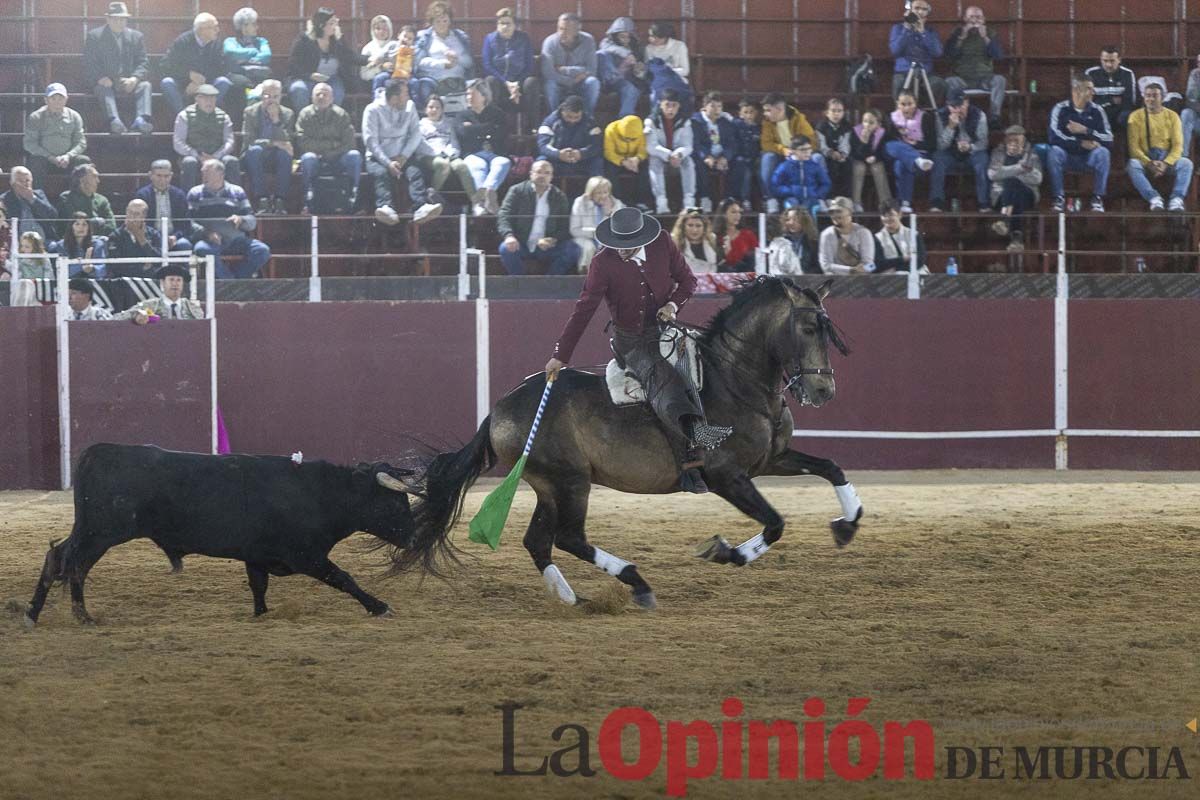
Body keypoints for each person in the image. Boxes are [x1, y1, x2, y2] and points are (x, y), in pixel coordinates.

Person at [544, 206, 728, 494]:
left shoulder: (662, 243)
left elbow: (688, 281)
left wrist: (672, 305)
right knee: (663, 377)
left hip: (669, 330)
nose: (621, 252)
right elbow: (584, 310)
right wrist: (560, 354)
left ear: (643, 240)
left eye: (628, 247)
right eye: (617, 246)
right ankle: (691, 455)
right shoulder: (602, 262)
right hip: (632, 341)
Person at [362, 79, 443, 226]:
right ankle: (386, 208)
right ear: (394, 98)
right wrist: (388, 163)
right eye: (405, 94)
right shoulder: (372, 110)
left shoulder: (410, 106)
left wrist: (404, 156)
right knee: (381, 174)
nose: (409, 97)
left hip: (403, 155)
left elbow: (416, 134)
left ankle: (421, 207)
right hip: (379, 157)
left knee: (415, 172)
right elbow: (371, 142)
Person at [187, 159, 271, 279]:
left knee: (262, 250)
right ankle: (229, 282)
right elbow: (189, 221)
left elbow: (252, 220)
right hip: (209, 240)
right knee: (201, 249)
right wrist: (206, 233)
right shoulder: (195, 193)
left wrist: (241, 219)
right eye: (202, 172)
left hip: (235, 240)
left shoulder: (237, 191)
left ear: (221, 174)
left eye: (207, 172)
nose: (203, 175)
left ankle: (233, 280)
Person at [496, 159, 579, 275]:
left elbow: (564, 226)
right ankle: (520, 282)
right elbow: (504, 215)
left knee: (573, 249)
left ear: (551, 176)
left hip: (545, 246)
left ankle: (549, 282)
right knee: (505, 249)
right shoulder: (517, 191)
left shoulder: (559, 196)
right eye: (539, 172)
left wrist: (552, 239)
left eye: (547, 173)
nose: (542, 176)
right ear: (531, 174)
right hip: (521, 243)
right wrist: (509, 236)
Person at [84, 2, 152, 135]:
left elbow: (143, 62)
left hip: (128, 81)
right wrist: (100, 78)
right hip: (107, 82)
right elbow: (89, 62)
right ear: (108, 19)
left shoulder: (136, 36)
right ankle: (114, 121)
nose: (120, 22)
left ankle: (141, 120)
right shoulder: (95, 36)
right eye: (116, 19)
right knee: (102, 89)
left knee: (145, 86)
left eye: (123, 19)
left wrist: (135, 78)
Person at [1046, 78, 1112, 213]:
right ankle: (1058, 197)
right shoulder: (1060, 109)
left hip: (1089, 157)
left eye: (1092, 88)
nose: (1093, 92)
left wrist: (1085, 130)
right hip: (1067, 156)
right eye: (1088, 88)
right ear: (1075, 91)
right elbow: (1054, 137)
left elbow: (1109, 139)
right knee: (1054, 151)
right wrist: (1080, 143)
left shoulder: (1098, 110)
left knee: (1103, 153)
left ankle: (1097, 198)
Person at [295, 82, 362, 213]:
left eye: (325, 94)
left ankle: (354, 193)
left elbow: (349, 143)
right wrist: (332, 145)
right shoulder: (305, 114)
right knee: (307, 158)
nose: (321, 97)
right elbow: (303, 142)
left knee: (354, 156)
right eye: (317, 94)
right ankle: (308, 196)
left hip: (337, 159)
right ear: (312, 98)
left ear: (332, 98)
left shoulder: (341, 114)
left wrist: (329, 152)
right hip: (316, 159)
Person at [1127, 81, 1193, 211]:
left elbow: (1178, 146)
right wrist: (1149, 162)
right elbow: (1133, 148)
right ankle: (1154, 198)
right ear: (1144, 97)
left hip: (1166, 156)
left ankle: (1177, 199)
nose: (1150, 99)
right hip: (1146, 158)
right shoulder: (1135, 116)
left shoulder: (1172, 116)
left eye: (1154, 96)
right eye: (1148, 96)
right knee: (1132, 164)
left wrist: (1166, 163)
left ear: (1162, 98)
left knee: (1186, 163)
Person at [286, 7, 361, 111]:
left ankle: (330, 121)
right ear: (321, 25)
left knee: (336, 92)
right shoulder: (304, 40)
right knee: (299, 90)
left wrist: (370, 60)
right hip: (306, 78)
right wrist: (310, 75)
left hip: (332, 79)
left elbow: (350, 57)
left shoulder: (337, 40)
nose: (335, 27)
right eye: (331, 23)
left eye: (336, 23)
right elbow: (293, 65)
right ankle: (304, 120)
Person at [929, 87, 990, 212]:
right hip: (950, 153)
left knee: (982, 161)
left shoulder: (979, 115)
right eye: (953, 106)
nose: (957, 110)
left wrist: (970, 147)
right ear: (948, 105)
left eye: (960, 105)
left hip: (972, 152)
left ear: (967, 102)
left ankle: (984, 203)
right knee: (937, 159)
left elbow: (983, 142)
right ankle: (937, 202)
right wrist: (951, 127)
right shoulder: (940, 115)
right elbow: (941, 145)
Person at [944, 6, 1006, 124]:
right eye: (971, 17)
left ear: (983, 20)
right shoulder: (957, 32)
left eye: (978, 17)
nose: (974, 20)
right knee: (950, 81)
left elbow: (998, 55)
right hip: (963, 78)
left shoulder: (990, 32)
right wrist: (962, 38)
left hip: (984, 78)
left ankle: (994, 116)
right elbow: (949, 55)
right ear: (965, 19)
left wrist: (985, 38)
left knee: (1000, 80)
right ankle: (957, 115)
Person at [241, 79, 295, 214]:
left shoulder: (288, 114)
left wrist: (276, 120)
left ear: (281, 97)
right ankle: (262, 199)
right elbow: (250, 141)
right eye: (267, 96)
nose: (271, 100)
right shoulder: (250, 112)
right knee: (255, 150)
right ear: (261, 96)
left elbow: (288, 142)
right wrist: (273, 143)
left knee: (285, 153)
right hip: (254, 156)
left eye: (275, 96)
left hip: (276, 157)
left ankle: (280, 200)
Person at [160, 13, 231, 115]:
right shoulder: (182, 41)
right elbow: (166, 65)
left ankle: (204, 116)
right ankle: (184, 118)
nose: (217, 30)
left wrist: (201, 83)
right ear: (201, 30)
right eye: (214, 27)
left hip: (208, 84)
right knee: (167, 83)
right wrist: (189, 75)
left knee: (224, 82)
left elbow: (221, 68)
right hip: (184, 85)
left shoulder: (216, 44)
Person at [173, 83, 240, 191]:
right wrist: (196, 155)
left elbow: (229, 141)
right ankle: (187, 201)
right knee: (189, 163)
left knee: (231, 161)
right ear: (197, 99)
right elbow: (178, 142)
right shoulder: (184, 115)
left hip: (217, 156)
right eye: (205, 98)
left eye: (212, 98)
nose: (209, 101)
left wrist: (216, 156)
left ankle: (236, 197)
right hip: (194, 155)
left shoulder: (223, 116)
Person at [459, 79, 511, 216]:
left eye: (473, 94)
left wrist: (473, 129)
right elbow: (463, 132)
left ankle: (485, 195)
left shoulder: (497, 113)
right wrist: (488, 128)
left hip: (495, 152)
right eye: (467, 94)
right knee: (477, 166)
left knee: (503, 162)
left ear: (483, 96)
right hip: (473, 153)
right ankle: (483, 201)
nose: (469, 98)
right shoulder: (462, 115)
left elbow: (501, 133)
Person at [23, 84, 90, 189]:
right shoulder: (36, 117)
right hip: (45, 159)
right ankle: (37, 198)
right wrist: (50, 157)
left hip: (68, 160)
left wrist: (68, 156)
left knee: (83, 161)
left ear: (66, 99)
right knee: (35, 161)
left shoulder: (75, 116)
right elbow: (29, 143)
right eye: (53, 98)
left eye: (61, 98)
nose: (57, 102)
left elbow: (81, 142)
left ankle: (76, 198)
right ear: (46, 100)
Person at [759, 93, 817, 214]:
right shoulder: (767, 122)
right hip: (780, 155)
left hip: (799, 153)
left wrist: (797, 152)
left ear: (780, 109)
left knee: (818, 158)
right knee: (767, 157)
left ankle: (815, 198)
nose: (765, 113)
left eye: (768, 110)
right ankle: (771, 199)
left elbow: (811, 140)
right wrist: (783, 150)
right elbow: (766, 144)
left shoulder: (798, 119)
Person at [410, 2, 475, 109]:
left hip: (458, 80)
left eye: (445, 20)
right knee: (424, 85)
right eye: (438, 21)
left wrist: (456, 58)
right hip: (434, 80)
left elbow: (469, 63)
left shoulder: (460, 36)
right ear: (432, 22)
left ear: (450, 21)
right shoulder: (424, 37)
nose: (442, 24)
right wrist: (442, 64)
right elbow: (419, 62)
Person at [987, 125, 1041, 251]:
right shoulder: (998, 153)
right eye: (1011, 140)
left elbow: (1038, 178)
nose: (1014, 143)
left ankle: (1005, 220)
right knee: (1014, 192)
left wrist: (1009, 173)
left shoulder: (1032, 155)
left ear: (1023, 141)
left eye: (1017, 140)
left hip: (1028, 194)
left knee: (1013, 182)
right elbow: (992, 174)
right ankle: (1016, 239)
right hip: (1001, 194)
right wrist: (1020, 168)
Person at [481, 8, 541, 119]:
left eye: (508, 23)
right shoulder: (489, 39)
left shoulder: (524, 38)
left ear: (515, 25)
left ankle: (534, 127)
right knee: (490, 81)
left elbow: (529, 65)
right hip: (499, 83)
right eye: (501, 23)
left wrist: (516, 84)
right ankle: (492, 123)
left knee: (532, 82)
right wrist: (506, 83)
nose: (504, 27)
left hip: (519, 83)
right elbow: (487, 65)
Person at [884, 90, 936, 213]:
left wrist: (916, 144)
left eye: (910, 104)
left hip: (919, 152)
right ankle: (916, 160)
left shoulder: (925, 117)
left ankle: (904, 202)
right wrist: (899, 134)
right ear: (897, 104)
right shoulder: (890, 117)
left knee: (902, 164)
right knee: (891, 145)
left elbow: (932, 144)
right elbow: (886, 140)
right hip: (896, 151)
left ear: (915, 104)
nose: (906, 108)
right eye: (903, 104)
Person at [645, 89, 695, 214]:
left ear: (679, 106)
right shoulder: (651, 121)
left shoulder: (685, 121)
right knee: (654, 161)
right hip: (661, 156)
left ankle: (689, 202)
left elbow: (688, 145)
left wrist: (679, 154)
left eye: (674, 106)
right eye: (667, 105)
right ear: (660, 104)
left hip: (677, 158)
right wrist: (669, 155)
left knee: (688, 161)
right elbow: (651, 147)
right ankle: (661, 202)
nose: (671, 109)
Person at [541, 13, 600, 116]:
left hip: (580, 83)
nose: (562, 33)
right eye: (560, 28)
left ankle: (587, 119)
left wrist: (564, 70)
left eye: (567, 30)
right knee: (550, 85)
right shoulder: (549, 42)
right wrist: (571, 80)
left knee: (593, 82)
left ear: (577, 29)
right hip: (559, 83)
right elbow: (548, 72)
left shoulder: (588, 40)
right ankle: (555, 119)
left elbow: (592, 69)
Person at [889, 0, 945, 103]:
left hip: (926, 73)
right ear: (910, 10)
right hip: (904, 72)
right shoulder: (898, 28)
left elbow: (937, 53)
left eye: (924, 9)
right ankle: (902, 115)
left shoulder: (931, 31)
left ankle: (928, 115)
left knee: (938, 84)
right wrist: (906, 29)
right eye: (917, 8)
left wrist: (923, 32)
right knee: (898, 83)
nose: (920, 12)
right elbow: (895, 51)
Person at [691, 91, 738, 213]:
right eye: (712, 106)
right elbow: (696, 144)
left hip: (721, 155)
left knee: (739, 163)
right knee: (697, 165)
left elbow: (731, 144)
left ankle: (729, 200)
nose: (716, 110)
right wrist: (706, 157)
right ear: (705, 106)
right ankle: (704, 197)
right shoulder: (696, 121)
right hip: (705, 156)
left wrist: (725, 157)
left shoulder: (725, 122)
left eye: (719, 106)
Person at [419, 95, 476, 196]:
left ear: (442, 110)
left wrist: (450, 153)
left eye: (437, 107)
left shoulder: (449, 123)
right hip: (429, 156)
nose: (434, 110)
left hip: (449, 154)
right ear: (425, 109)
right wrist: (439, 153)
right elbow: (421, 145)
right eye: (431, 107)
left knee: (462, 166)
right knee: (443, 165)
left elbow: (453, 141)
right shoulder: (420, 125)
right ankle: (431, 195)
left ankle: (476, 202)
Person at [537, 94, 603, 178]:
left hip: (581, 160)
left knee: (597, 161)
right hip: (556, 160)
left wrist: (581, 153)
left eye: (576, 117)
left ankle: (598, 189)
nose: (572, 120)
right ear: (562, 111)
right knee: (540, 162)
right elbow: (542, 146)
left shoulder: (590, 122)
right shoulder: (549, 121)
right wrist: (558, 154)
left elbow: (596, 145)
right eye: (569, 116)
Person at [115, 263, 204, 322]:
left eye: (179, 280)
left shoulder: (192, 308)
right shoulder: (149, 305)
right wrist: (135, 316)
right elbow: (117, 318)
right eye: (171, 280)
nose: (175, 284)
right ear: (162, 283)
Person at [135, 160, 193, 250]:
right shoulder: (142, 195)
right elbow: (140, 223)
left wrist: (175, 237)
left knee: (184, 245)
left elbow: (185, 224)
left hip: (174, 238)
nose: (162, 180)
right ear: (151, 175)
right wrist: (157, 237)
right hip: (151, 237)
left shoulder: (179, 195)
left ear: (171, 176)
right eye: (159, 176)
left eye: (166, 176)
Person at [570, 175, 624, 270]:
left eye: (605, 192)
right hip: (583, 237)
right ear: (590, 193)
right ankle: (586, 274)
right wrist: (595, 233)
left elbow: (620, 231)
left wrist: (609, 213)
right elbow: (574, 230)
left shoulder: (617, 204)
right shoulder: (580, 202)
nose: (603, 196)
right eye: (598, 193)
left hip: (607, 240)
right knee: (589, 248)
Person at [598, 17, 647, 119]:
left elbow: (641, 74)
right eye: (622, 37)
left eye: (628, 37)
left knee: (632, 90)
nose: (626, 40)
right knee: (602, 54)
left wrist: (639, 70)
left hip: (623, 81)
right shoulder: (607, 43)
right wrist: (626, 55)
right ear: (615, 36)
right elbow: (606, 48)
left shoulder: (636, 47)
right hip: (606, 80)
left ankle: (625, 121)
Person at [770, 135, 832, 214]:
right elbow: (776, 185)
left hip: (811, 197)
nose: (807, 152)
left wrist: (817, 194)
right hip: (791, 197)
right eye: (803, 149)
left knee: (810, 208)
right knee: (793, 208)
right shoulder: (785, 166)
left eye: (809, 149)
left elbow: (825, 183)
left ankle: (811, 226)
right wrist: (790, 191)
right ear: (793, 150)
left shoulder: (815, 166)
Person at [224, 8, 273, 105]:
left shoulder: (261, 41)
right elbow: (230, 52)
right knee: (241, 84)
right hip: (239, 75)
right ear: (244, 27)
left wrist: (243, 59)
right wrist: (253, 52)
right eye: (254, 24)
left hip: (260, 75)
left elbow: (266, 55)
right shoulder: (230, 41)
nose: (257, 27)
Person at [1085, 45, 1138, 134]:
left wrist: (1102, 101)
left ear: (1119, 60)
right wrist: (1111, 101)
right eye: (1105, 61)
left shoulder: (1127, 74)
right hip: (1098, 112)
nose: (1108, 65)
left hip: (1119, 114)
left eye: (1112, 61)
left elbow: (1129, 101)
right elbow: (1087, 100)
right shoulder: (1091, 73)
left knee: (1127, 117)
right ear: (1100, 59)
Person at [603, 114, 651, 208]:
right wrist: (622, 161)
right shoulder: (611, 129)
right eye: (625, 138)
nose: (628, 140)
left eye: (632, 139)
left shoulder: (641, 132)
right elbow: (608, 152)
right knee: (609, 170)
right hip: (617, 159)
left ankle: (642, 201)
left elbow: (643, 149)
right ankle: (617, 201)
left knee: (646, 169)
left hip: (634, 160)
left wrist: (637, 159)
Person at [850, 108, 893, 212]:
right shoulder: (856, 131)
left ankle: (885, 202)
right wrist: (864, 141)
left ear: (878, 124)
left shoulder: (883, 134)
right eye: (864, 121)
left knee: (878, 168)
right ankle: (856, 202)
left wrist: (875, 157)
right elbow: (855, 153)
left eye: (871, 122)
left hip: (875, 160)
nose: (867, 125)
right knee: (859, 168)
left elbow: (883, 151)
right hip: (859, 159)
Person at [106, 198, 165, 274]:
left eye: (136, 214)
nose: (132, 217)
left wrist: (142, 240)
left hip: (150, 280)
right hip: (123, 280)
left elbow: (159, 261)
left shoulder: (154, 234)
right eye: (130, 212)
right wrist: (141, 268)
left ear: (144, 216)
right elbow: (114, 265)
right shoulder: (115, 236)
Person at [56, 163, 116, 237]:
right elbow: (71, 225)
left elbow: (111, 226)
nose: (98, 181)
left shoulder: (102, 200)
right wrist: (97, 224)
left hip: (98, 240)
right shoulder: (66, 198)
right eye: (94, 177)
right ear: (82, 180)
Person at [818, 196, 875, 274]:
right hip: (835, 280)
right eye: (832, 212)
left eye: (839, 211)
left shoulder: (863, 233)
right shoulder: (826, 235)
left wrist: (863, 269)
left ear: (850, 212)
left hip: (860, 279)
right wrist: (850, 270)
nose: (834, 215)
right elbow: (826, 265)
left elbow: (871, 265)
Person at [1, 166, 59, 239]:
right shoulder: (4, 199)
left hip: (44, 241)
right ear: (12, 183)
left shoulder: (39, 194)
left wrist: (32, 199)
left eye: (27, 180)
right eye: (20, 181)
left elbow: (53, 216)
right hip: (19, 244)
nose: (25, 184)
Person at [874, 199, 928, 271]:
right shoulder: (877, 238)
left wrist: (897, 268)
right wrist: (903, 259)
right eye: (884, 215)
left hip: (916, 273)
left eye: (891, 215)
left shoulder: (913, 234)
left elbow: (920, 260)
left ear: (900, 214)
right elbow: (879, 264)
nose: (887, 218)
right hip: (890, 277)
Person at [765, 206, 820, 275]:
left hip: (806, 281)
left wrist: (804, 275)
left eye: (795, 219)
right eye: (788, 219)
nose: (791, 223)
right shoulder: (779, 241)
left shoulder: (813, 242)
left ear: (804, 221)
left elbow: (817, 267)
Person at [815, 98, 853, 198]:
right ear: (827, 113)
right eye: (833, 111)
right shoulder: (821, 127)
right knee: (831, 167)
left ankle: (846, 197)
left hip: (841, 155)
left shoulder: (847, 126)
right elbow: (821, 144)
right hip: (826, 155)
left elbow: (846, 142)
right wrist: (831, 153)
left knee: (848, 165)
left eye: (839, 111)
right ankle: (830, 197)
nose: (836, 114)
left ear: (843, 113)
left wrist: (842, 154)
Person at [50, 212, 108, 277]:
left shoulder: (97, 244)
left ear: (89, 227)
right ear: (71, 227)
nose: (81, 227)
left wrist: (92, 269)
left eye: (84, 224)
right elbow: (61, 271)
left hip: (93, 283)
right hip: (70, 283)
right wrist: (79, 264)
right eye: (77, 224)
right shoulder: (61, 245)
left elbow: (103, 269)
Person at [6, 231, 53, 306]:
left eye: (27, 247)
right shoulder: (19, 259)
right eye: (22, 246)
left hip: (39, 290)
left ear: (35, 248)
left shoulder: (44, 259)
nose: (23, 249)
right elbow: (15, 272)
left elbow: (49, 277)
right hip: (23, 291)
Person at [711, 198, 758, 272]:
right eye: (733, 212)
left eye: (739, 212)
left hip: (745, 275)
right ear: (723, 214)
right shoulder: (714, 236)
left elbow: (757, 259)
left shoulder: (748, 235)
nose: (738, 215)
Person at [730, 99, 760, 209]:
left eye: (751, 112)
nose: (749, 115)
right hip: (740, 158)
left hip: (754, 159)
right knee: (745, 171)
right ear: (740, 114)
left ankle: (765, 200)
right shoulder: (736, 125)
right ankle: (744, 199)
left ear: (756, 113)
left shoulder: (758, 128)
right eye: (745, 112)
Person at [671, 207, 719, 274]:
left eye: (698, 226)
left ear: (704, 227)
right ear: (683, 226)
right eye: (690, 225)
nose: (694, 230)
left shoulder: (712, 240)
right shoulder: (673, 242)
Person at [360, 15, 398, 93]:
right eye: (378, 28)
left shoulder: (395, 45)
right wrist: (380, 68)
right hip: (375, 81)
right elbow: (364, 75)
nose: (381, 31)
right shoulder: (368, 48)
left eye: (385, 29)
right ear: (372, 30)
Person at [1182, 55, 1200, 155]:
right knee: (1186, 113)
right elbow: (1190, 100)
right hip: (1198, 118)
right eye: (1198, 63)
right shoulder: (1195, 74)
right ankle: (1183, 158)